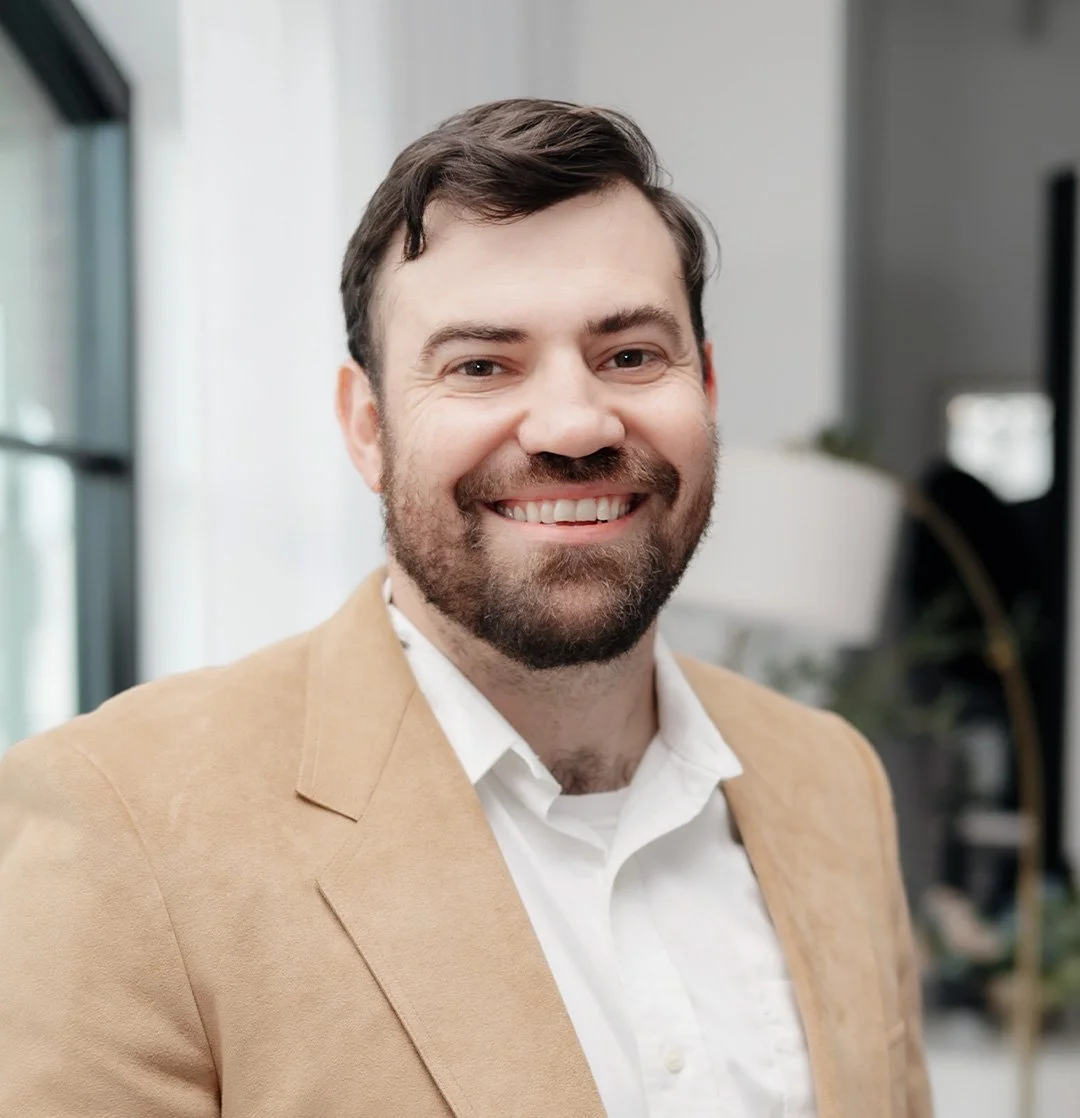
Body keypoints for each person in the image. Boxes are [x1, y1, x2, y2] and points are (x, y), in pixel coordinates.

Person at [0, 99, 932, 1118]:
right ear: (368, 429)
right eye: (481, 365)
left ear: (705, 389)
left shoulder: (834, 780)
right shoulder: (119, 826)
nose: (575, 425)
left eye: (630, 355)